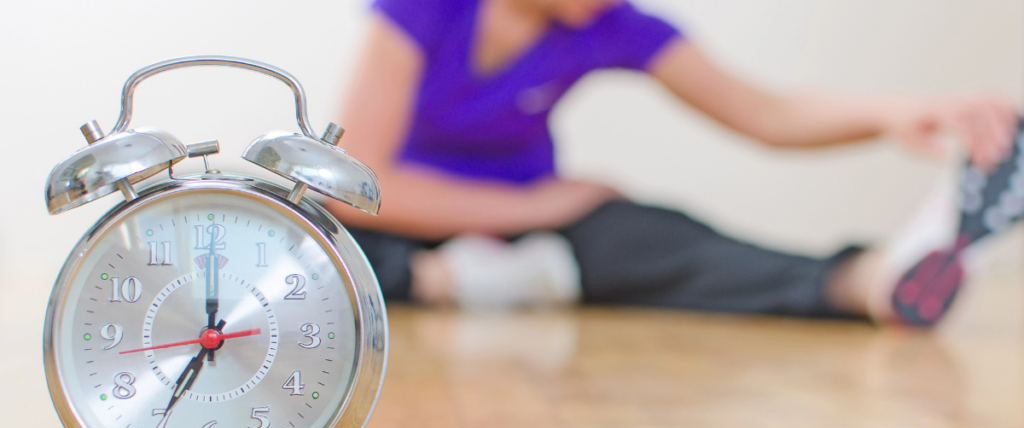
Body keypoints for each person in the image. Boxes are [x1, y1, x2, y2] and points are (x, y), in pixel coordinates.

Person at [324, 0, 1022, 326]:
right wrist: (535, 208)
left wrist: (895, 113)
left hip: (526, 232)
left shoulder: (610, 24)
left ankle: (866, 282)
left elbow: (768, 116)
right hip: (405, 222)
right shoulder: (421, 10)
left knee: (654, 233)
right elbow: (355, 184)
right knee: (322, 243)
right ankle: (449, 278)